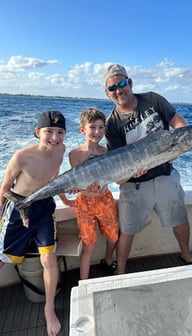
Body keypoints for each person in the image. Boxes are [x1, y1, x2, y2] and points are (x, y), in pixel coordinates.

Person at [103, 64, 192, 275]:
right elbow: (118, 162)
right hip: (134, 184)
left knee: (180, 219)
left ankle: (186, 253)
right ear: (107, 92)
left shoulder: (153, 99)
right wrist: (130, 172)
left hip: (165, 175)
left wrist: (188, 137)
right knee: (127, 230)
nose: (118, 90)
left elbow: (176, 120)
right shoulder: (112, 124)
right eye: (112, 88)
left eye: (121, 84)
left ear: (130, 83)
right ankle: (121, 270)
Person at [0, 110, 74, 336]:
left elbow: (54, 178)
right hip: (16, 209)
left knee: (49, 258)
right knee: (2, 259)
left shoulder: (60, 150)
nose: (55, 137)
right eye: (49, 131)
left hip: (43, 208)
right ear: (37, 132)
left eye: (60, 132)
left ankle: (48, 309)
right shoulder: (22, 156)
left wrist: (65, 199)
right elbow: (4, 190)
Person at [69, 107, 119, 280]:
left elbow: (112, 178)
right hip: (85, 204)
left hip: (105, 200)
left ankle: (108, 259)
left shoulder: (107, 152)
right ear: (82, 129)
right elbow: (76, 184)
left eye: (101, 127)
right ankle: (84, 282)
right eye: (92, 127)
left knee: (113, 236)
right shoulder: (74, 154)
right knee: (88, 245)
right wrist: (85, 192)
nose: (97, 132)